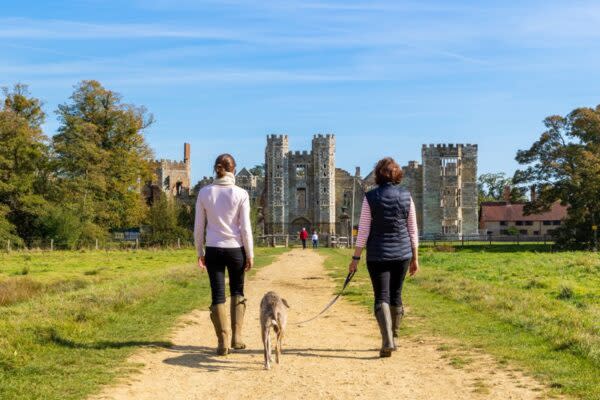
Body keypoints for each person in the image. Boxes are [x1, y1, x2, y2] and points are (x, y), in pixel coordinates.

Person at [348, 157, 419, 358]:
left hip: (378, 254)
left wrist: (355, 258)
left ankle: (387, 339)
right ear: (397, 175)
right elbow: (412, 230)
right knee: (396, 295)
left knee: (381, 296)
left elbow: (363, 231)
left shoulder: (370, 197)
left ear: (378, 175)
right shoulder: (406, 196)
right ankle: (393, 337)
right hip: (403, 253)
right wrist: (415, 258)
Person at [194, 154, 254, 356]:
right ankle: (237, 337)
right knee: (237, 290)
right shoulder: (241, 193)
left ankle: (223, 342)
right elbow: (245, 228)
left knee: (217, 294)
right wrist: (250, 253)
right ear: (233, 170)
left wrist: (199, 251)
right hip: (235, 249)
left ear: (216, 169)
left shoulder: (204, 193)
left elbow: (198, 227)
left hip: (213, 248)